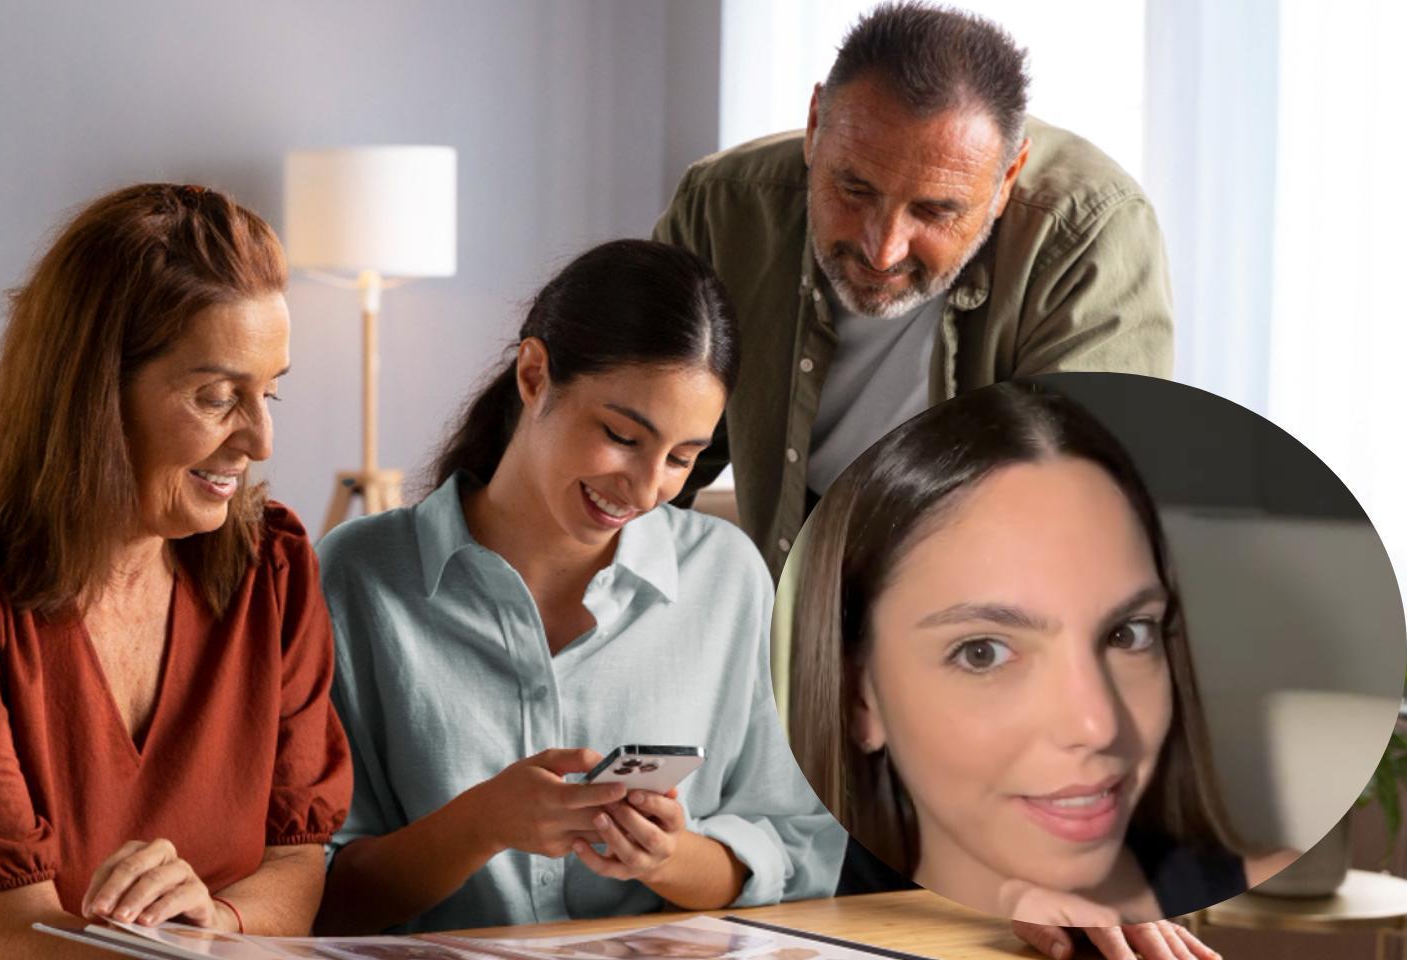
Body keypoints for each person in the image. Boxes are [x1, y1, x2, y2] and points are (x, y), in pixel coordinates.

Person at [0, 184, 352, 958]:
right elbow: (15, 936)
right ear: (93, 395)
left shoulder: (271, 568)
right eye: (217, 397)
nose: (261, 439)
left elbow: (297, 861)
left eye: (269, 392)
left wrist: (218, 923)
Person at [313, 240, 846, 933]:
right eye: (623, 435)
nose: (647, 486)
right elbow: (322, 895)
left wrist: (665, 857)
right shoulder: (358, 576)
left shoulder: (727, 577)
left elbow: (798, 852)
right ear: (534, 375)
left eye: (683, 458)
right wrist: (480, 825)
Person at [652, 1, 1173, 582]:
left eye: (934, 210)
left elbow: (1078, 514)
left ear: (1006, 178)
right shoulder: (723, 205)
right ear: (816, 125)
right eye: (853, 190)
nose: (883, 250)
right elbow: (640, 449)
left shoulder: (1087, 233)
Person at [788, 381, 1297, 953]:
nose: (1096, 725)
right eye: (983, 652)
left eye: (1127, 634)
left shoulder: (1283, 897)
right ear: (861, 697)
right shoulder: (789, 916)